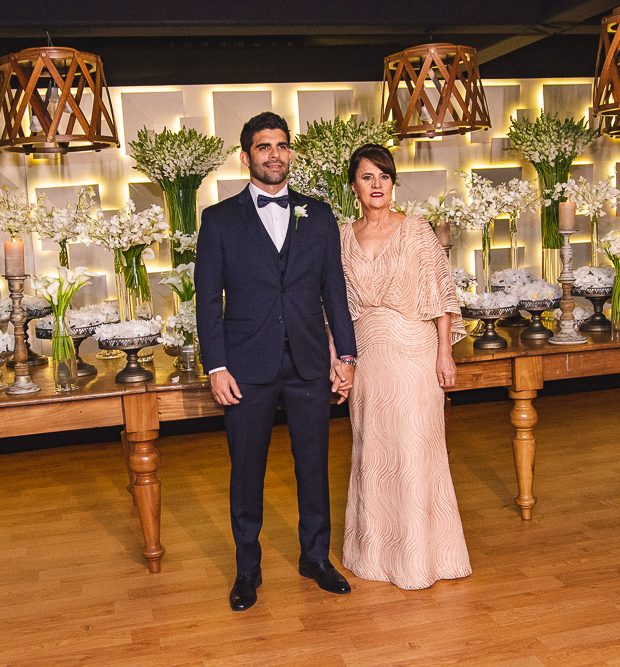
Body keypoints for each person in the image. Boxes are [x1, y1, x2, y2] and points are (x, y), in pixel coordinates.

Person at [195, 111, 357, 611]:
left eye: (282, 145)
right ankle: (248, 569)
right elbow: (207, 301)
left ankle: (316, 558)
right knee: (247, 471)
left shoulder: (319, 215)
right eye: (264, 146)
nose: (274, 154)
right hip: (246, 367)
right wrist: (216, 366)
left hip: (308, 361)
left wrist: (346, 354)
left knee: (314, 466)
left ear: (290, 153)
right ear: (246, 156)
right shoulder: (219, 220)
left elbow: (335, 291)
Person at [340, 143, 472, 590]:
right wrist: (339, 360)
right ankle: (375, 555)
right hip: (368, 359)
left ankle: (423, 558)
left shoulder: (417, 231)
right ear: (354, 186)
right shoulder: (341, 237)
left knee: (416, 452)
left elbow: (442, 294)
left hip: (415, 355)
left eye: (384, 176)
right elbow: (332, 308)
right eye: (367, 177)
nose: (377, 185)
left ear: (393, 183)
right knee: (374, 452)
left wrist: (444, 352)